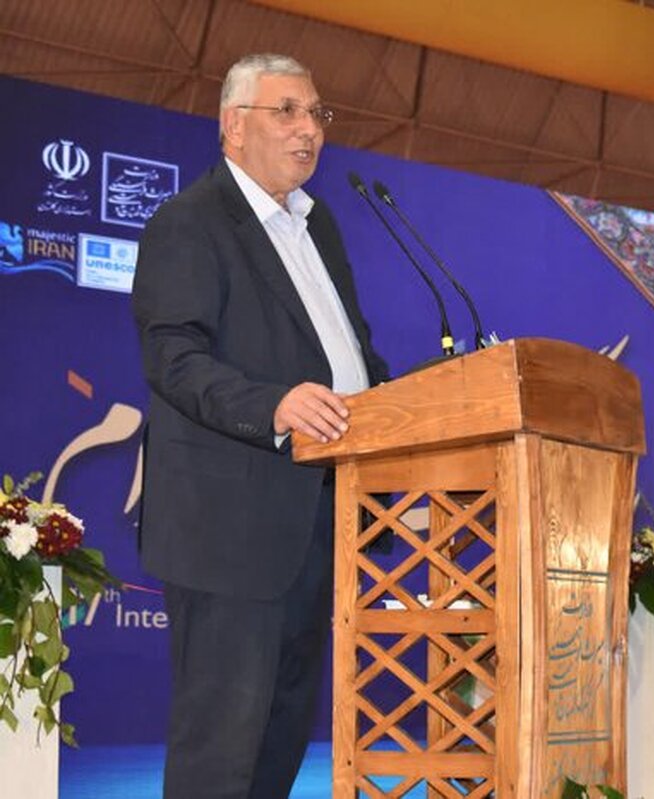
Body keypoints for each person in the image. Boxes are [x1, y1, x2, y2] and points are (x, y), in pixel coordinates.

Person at [132, 53, 390, 798]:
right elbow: (173, 357)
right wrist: (272, 405)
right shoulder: (190, 222)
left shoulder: (319, 226)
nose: (310, 129)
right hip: (229, 532)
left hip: (317, 525)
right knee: (221, 756)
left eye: (317, 114)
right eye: (287, 111)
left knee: (277, 750)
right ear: (233, 127)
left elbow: (351, 355)